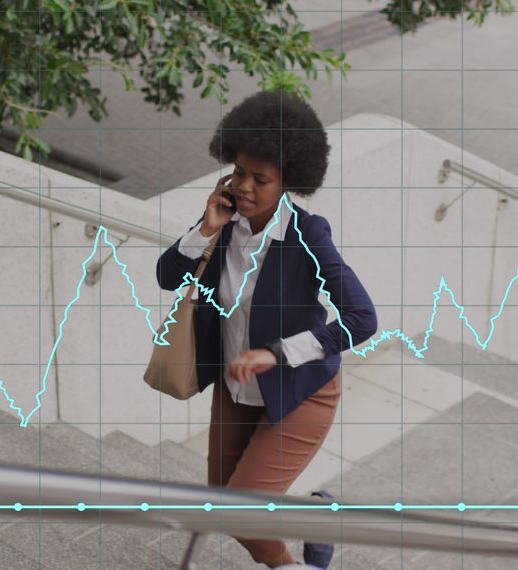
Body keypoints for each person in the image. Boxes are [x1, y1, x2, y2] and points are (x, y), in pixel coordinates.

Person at [155, 90, 378, 568]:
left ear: (287, 182)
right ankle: (316, 526)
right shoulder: (224, 219)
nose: (246, 187)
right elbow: (167, 277)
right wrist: (205, 229)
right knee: (227, 505)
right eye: (239, 173)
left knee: (242, 511)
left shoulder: (306, 235)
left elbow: (363, 319)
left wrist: (277, 353)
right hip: (237, 390)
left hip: (300, 390)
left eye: (262, 179)